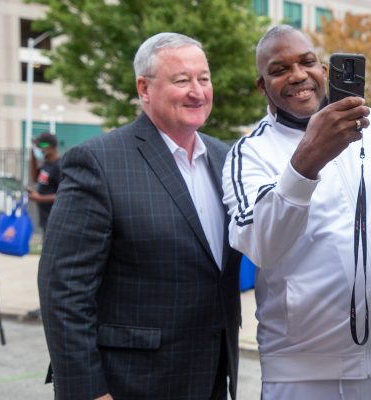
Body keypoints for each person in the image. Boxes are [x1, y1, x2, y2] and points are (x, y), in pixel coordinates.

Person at [222, 25, 371, 399]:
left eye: (307, 62)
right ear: (262, 86)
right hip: (301, 374)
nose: (297, 75)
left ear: (324, 70)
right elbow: (260, 245)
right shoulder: (249, 152)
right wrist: (306, 161)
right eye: (279, 69)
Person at [38, 33, 242, 400]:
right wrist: (88, 393)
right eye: (182, 80)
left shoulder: (226, 159)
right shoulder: (98, 162)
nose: (197, 91)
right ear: (144, 88)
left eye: (204, 78)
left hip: (211, 376)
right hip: (130, 383)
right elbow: (64, 292)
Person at [27, 132, 61, 233]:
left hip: (54, 219)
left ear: (50, 146)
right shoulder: (47, 164)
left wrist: (38, 198)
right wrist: (33, 156)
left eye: (41, 146)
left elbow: (62, 195)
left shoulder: (59, 166)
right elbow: (35, 178)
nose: (39, 149)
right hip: (45, 217)